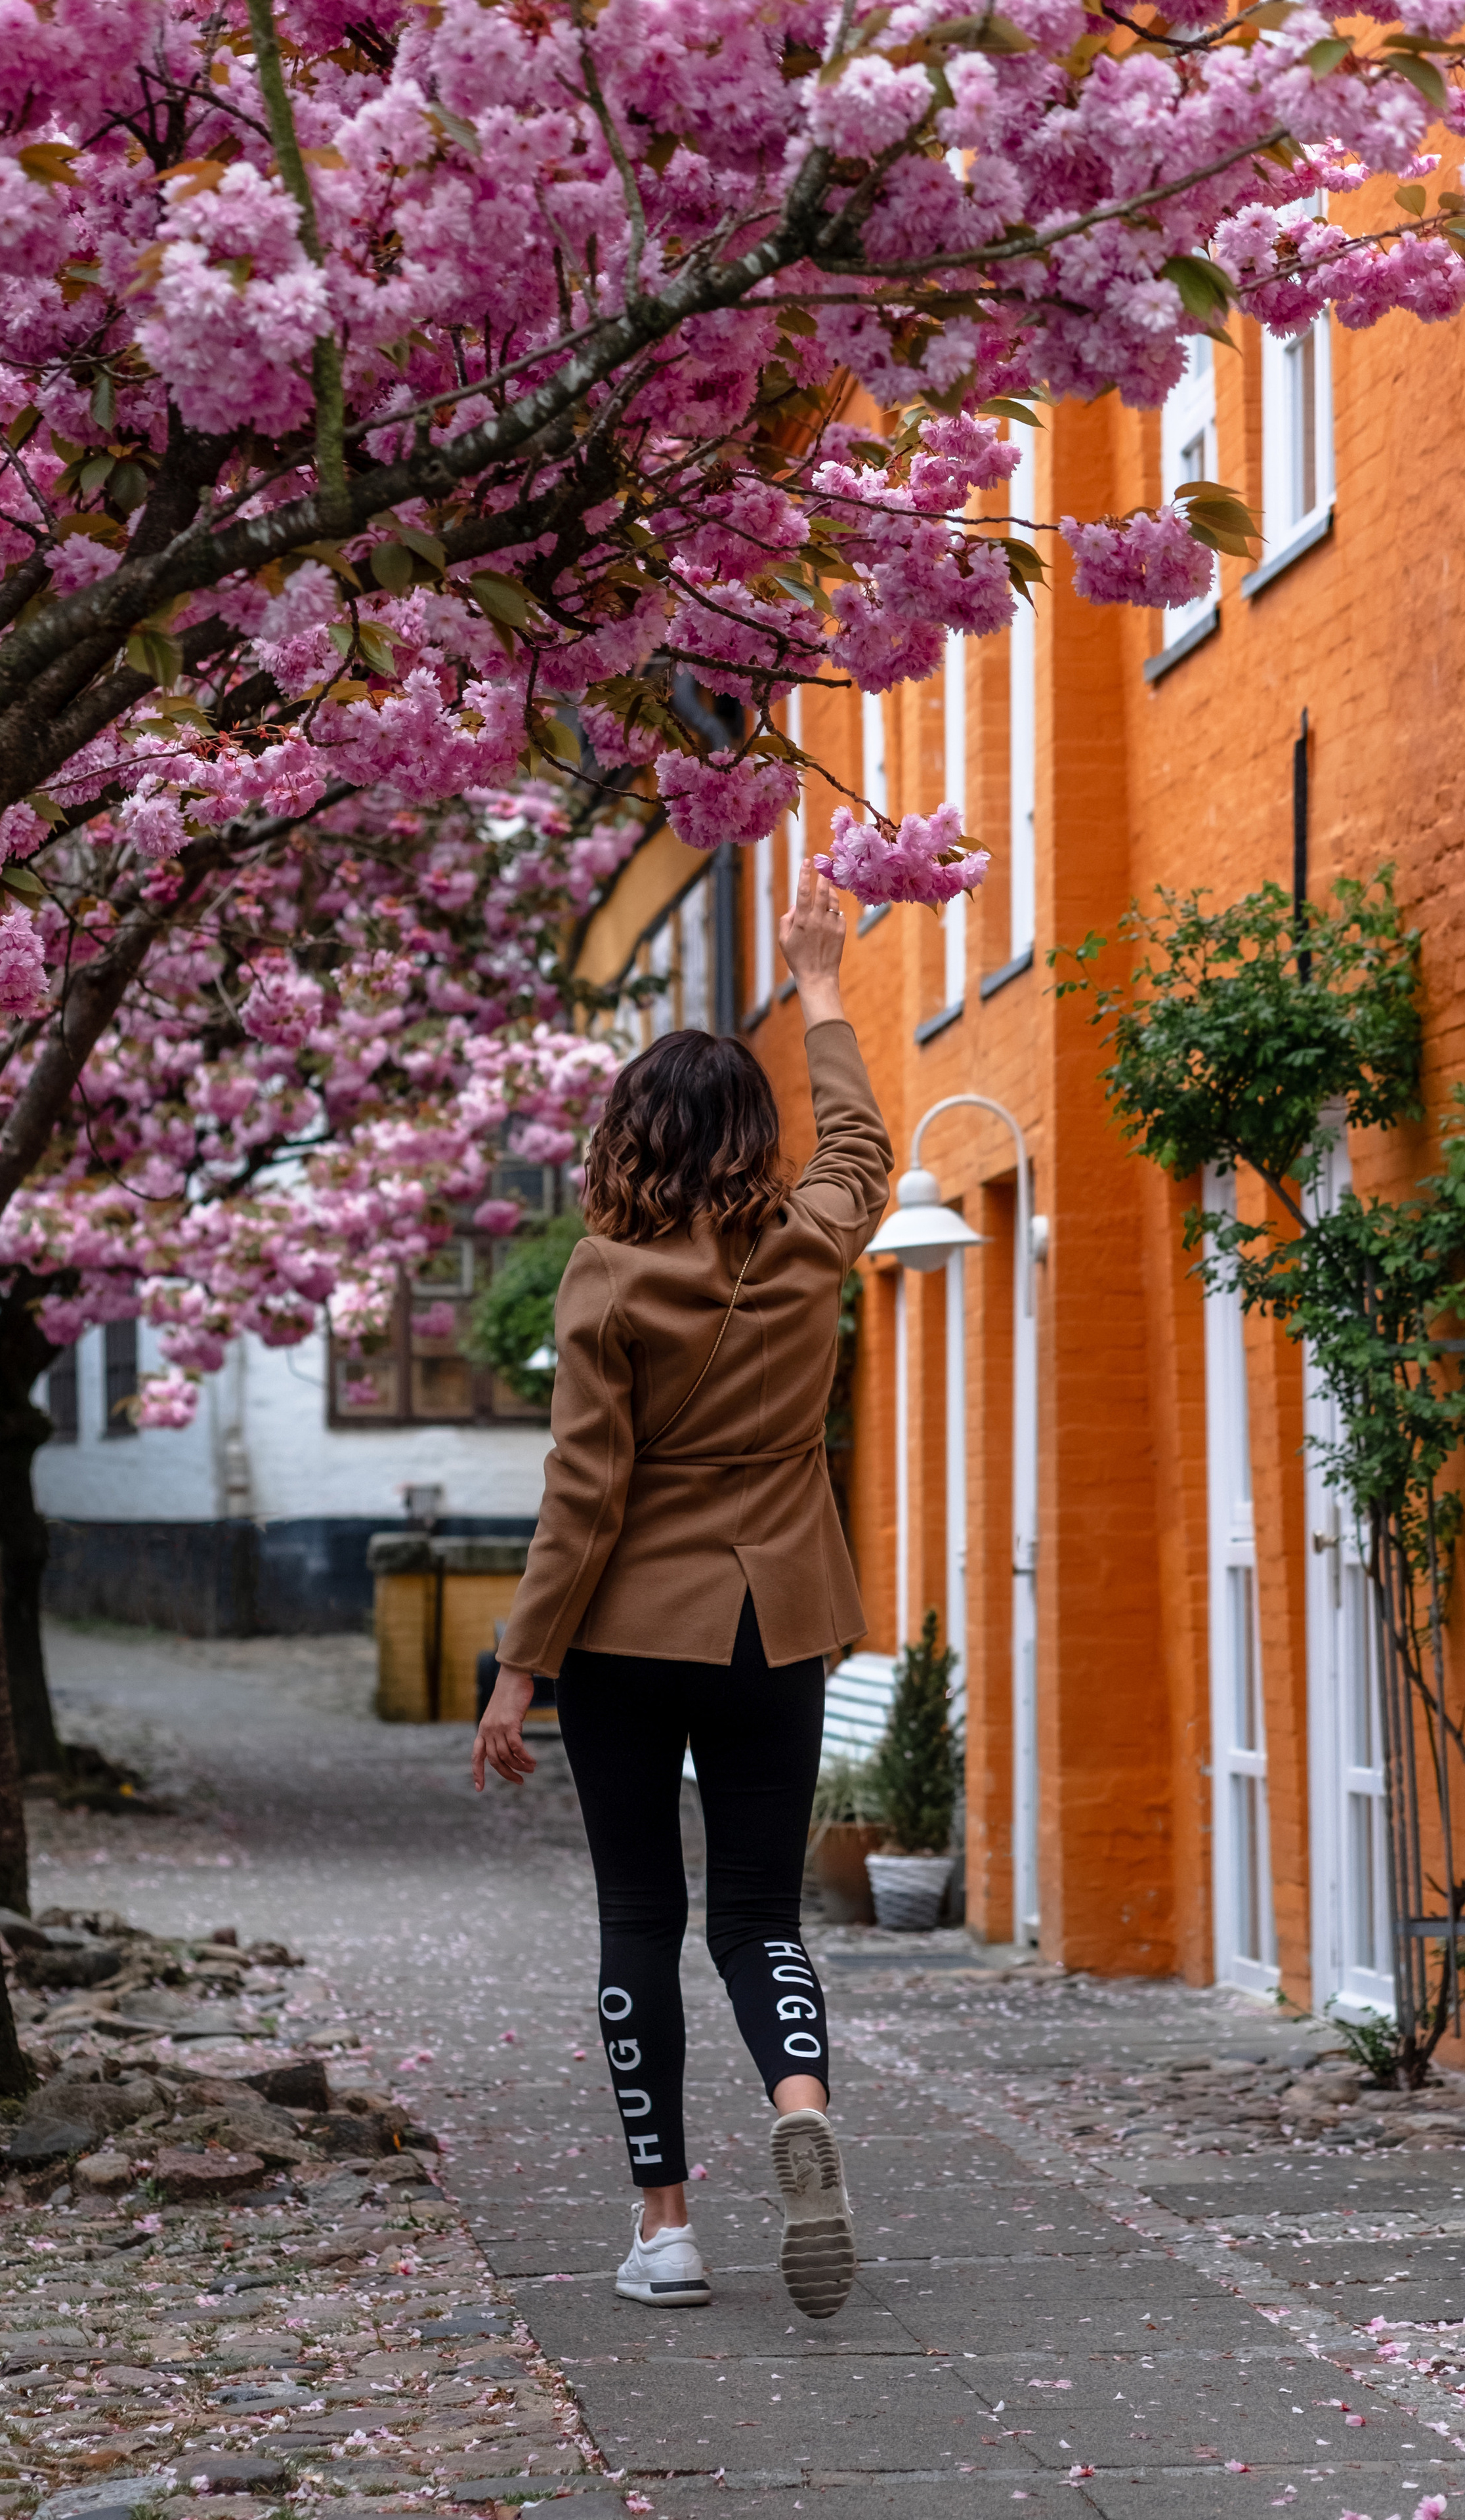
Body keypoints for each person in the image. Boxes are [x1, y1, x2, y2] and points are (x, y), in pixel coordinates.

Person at [471, 862, 893, 2322]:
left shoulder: (606, 1274)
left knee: (641, 1914)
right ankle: (800, 2107)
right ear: (753, 1141)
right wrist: (820, 981)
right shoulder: (813, 1242)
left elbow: (583, 1492)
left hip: (628, 1638)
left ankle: (665, 2229)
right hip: (777, 1624)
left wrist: (520, 1668)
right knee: (762, 1914)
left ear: (628, 1139)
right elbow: (861, 1141)